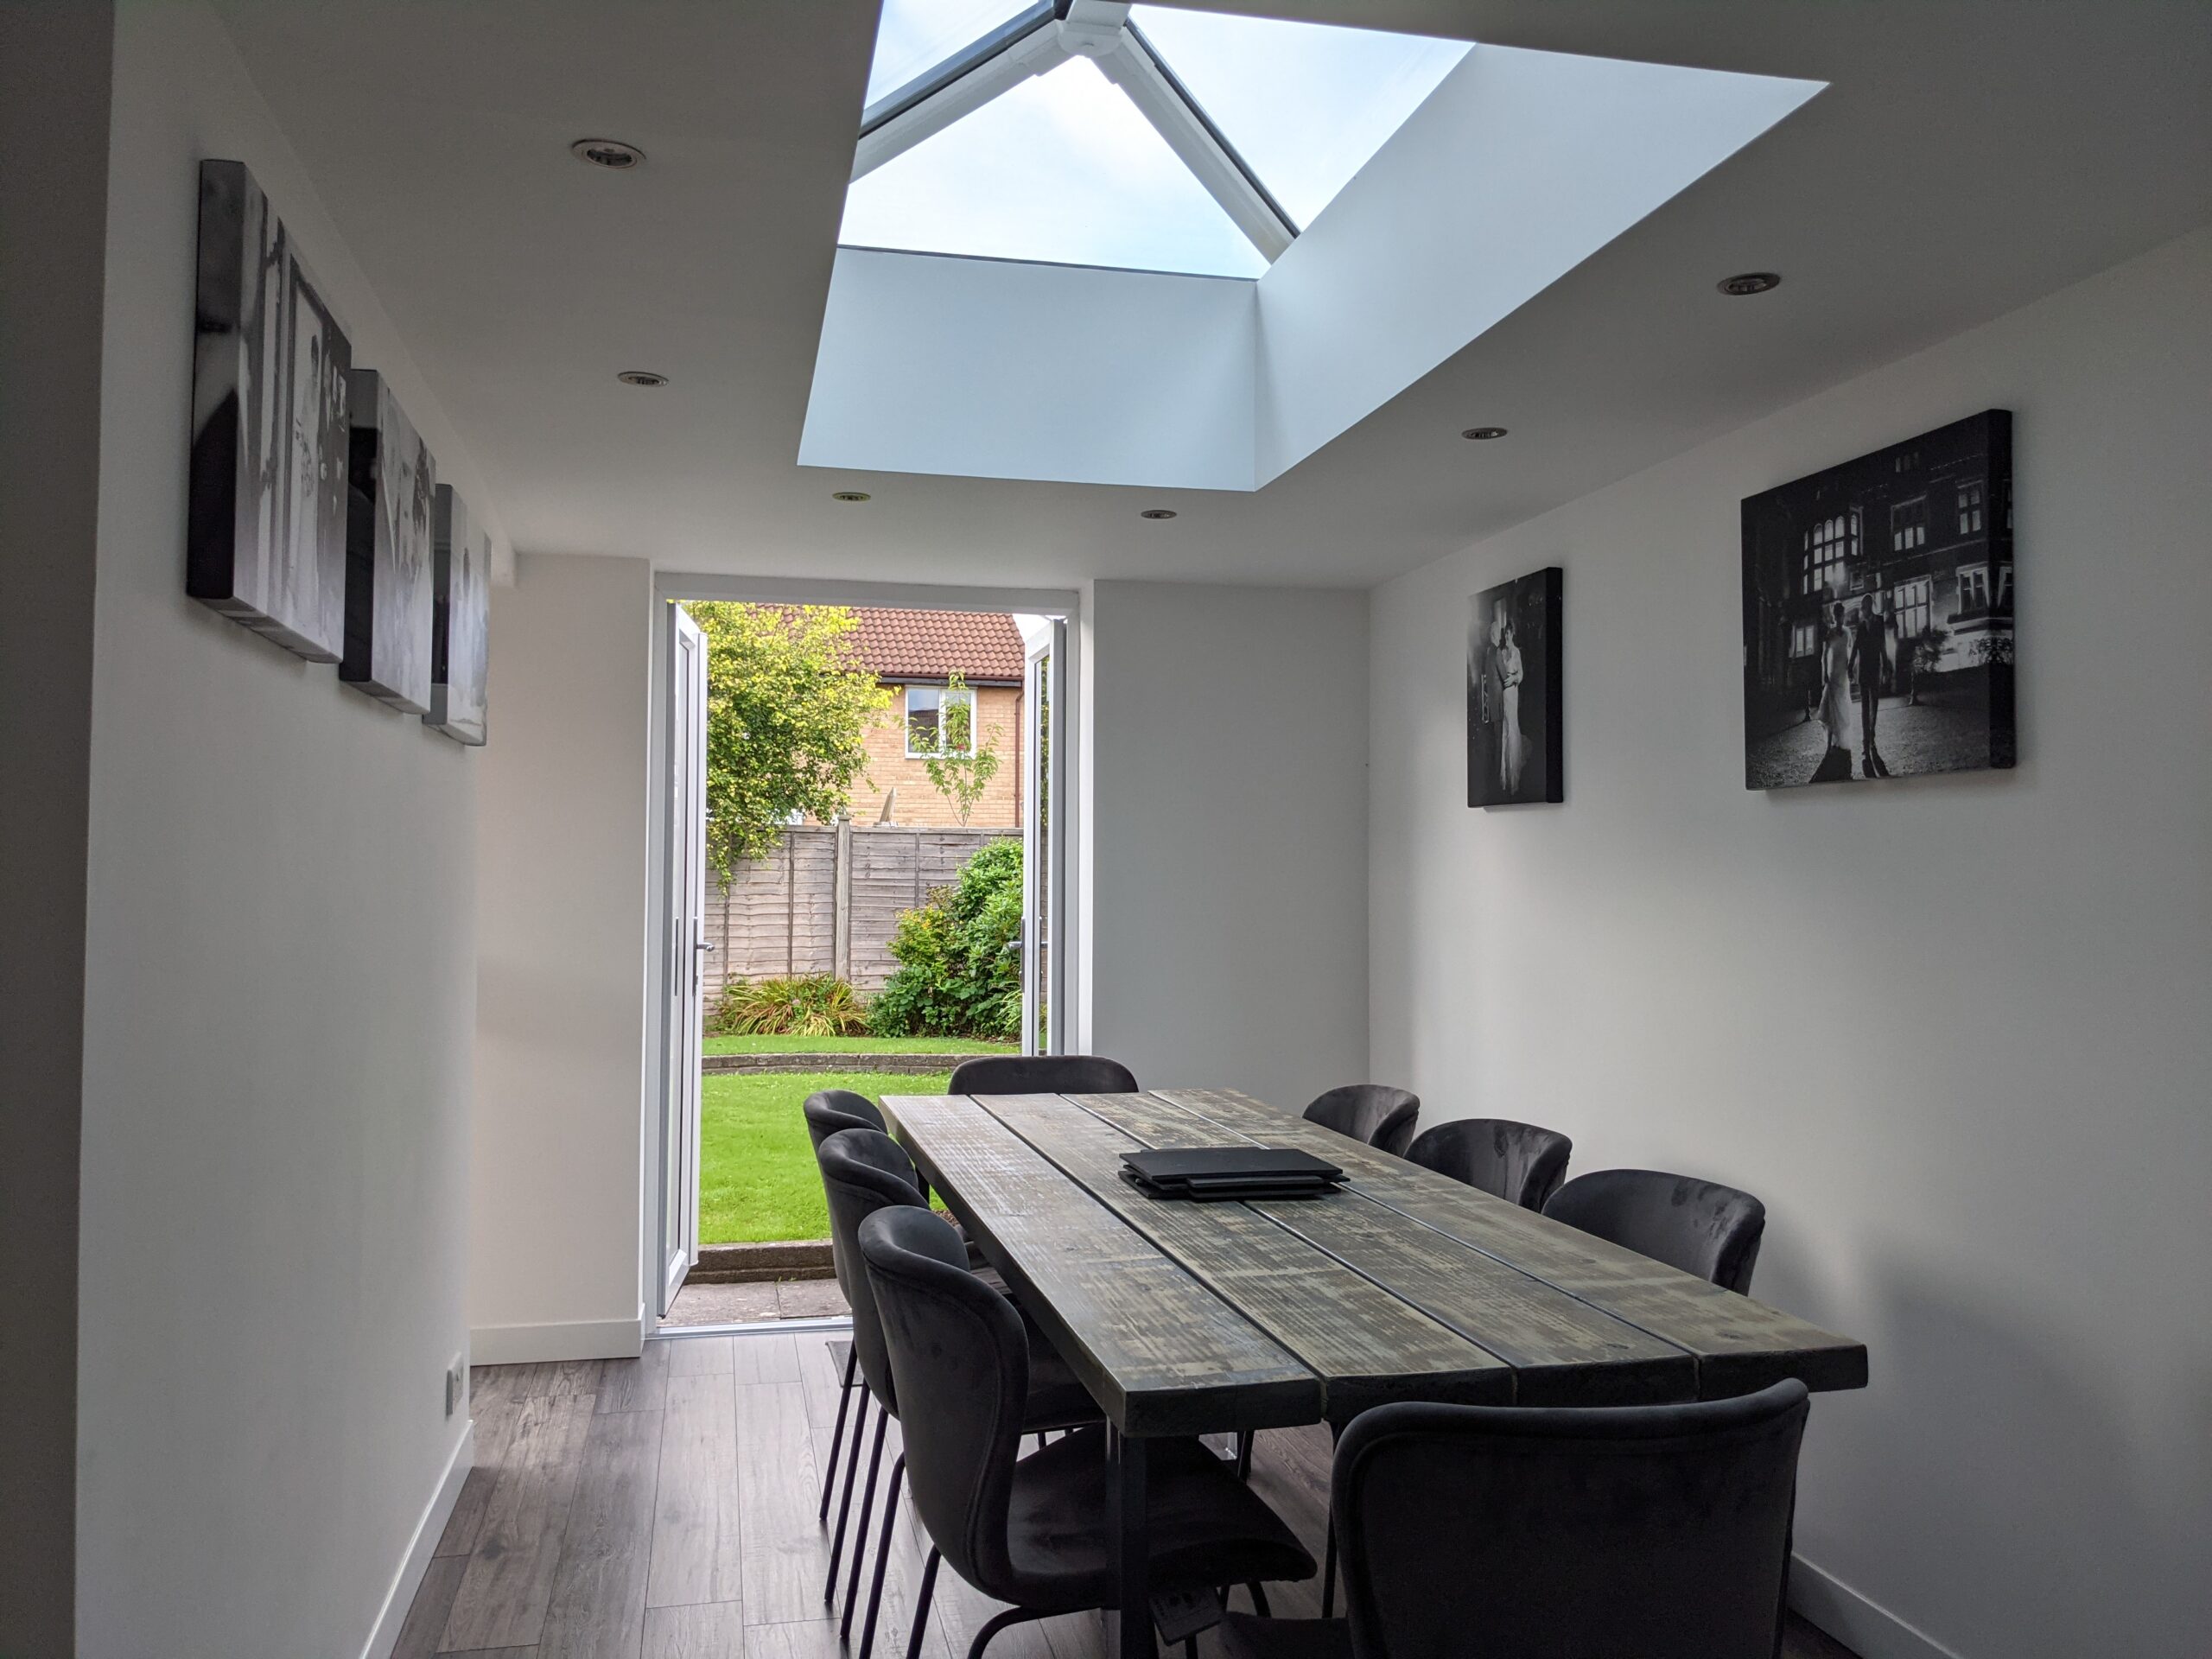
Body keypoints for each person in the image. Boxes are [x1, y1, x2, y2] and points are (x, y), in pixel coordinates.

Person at [1810, 601, 1854, 784]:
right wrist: (1824, 676)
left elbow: (1850, 652)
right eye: (1837, 615)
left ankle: (1842, 743)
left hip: (1843, 675)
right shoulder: (1829, 634)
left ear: (1843, 615)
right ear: (1834, 616)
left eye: (1841, 614)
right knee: (1830, 710)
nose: (1839, 617)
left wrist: (1851, 670)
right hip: (1833, 675)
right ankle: (1829, 746)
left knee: (1842, 708)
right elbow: (1823, 656)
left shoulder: (1847, 632)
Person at [1853, 594, 1892, 779]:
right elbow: (1856, 646)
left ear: (1870, 606)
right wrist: (1850, 664)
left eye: (1865, 607)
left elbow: (1883, 645)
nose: (1863, 610)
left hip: (1874, 669)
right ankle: (1865, 742)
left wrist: (1886, 664)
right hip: (1863, 672)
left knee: (1874, 707)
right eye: (1862, 607)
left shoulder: (1878, 622)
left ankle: (1872, 738)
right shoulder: (1861, 626)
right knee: (1864, 709)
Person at [1497, 615, 1527, 797]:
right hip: (1504, 694)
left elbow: (1521, 674)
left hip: (1513, 693)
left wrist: (1514, 678)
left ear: (1513, 634)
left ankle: (1514, 776)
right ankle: (1505, 776)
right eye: (1505, 634)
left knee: (1513, 729)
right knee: (1505, 730)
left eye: (1509, 634)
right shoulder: (1501, 652)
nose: (1507, 637)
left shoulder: (1516, 652)